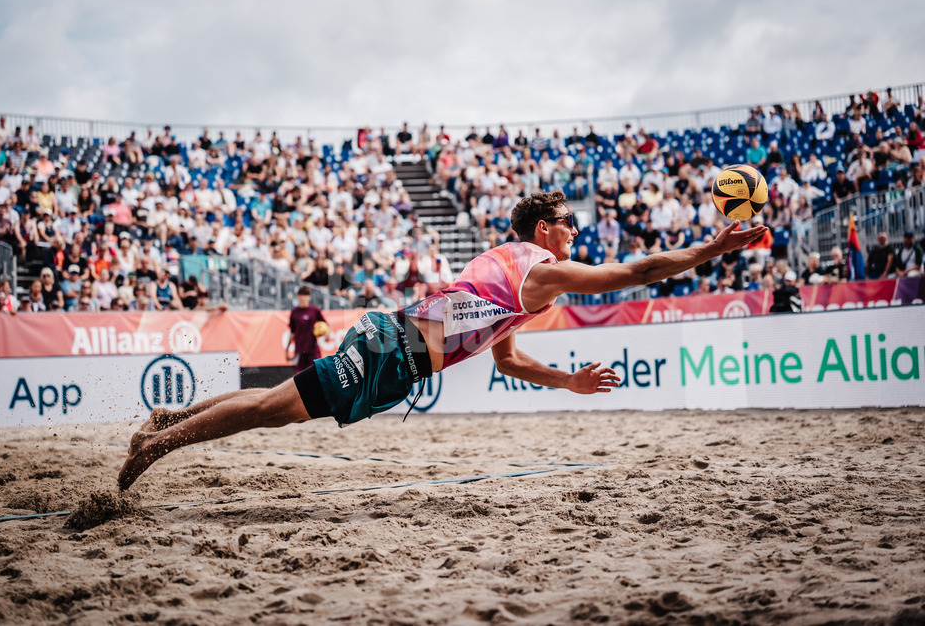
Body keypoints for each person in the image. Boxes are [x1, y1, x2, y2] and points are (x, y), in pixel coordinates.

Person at [118, 191, 766, 490]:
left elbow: (507, 357)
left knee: (275, 400)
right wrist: (709, 247)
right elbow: (635, 273)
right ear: (546, 229)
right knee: (269, 411)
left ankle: (173, 417)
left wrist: (566, 381)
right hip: (392, 351)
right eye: (569, 225)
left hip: (396, 352)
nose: (576, 234)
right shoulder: (539, 270)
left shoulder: (513, 269)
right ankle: (158, 444)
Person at [287, 286, 328, 373]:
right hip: (299, 349)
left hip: (312, 348)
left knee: (315, 372)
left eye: (305, 295)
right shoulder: (294, 312)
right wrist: (287, 349)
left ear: (309, 297)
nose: (303, 298)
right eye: (301, 295)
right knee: (299, 375)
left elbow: (325, 325)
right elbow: (292, 332)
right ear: (298, 296)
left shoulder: (314, 310)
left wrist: (326, 334)